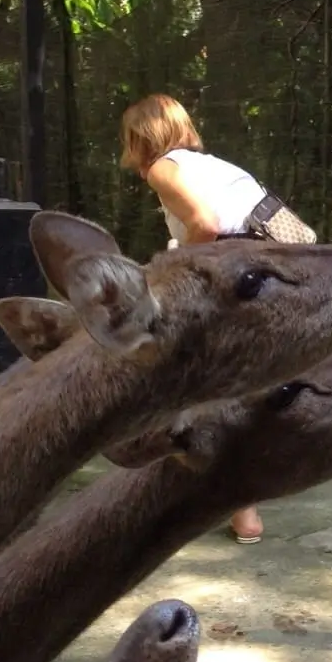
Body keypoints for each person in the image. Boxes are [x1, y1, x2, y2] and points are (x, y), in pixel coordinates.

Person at [119, 92, 269, 544]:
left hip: (234, 279)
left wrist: (174, 270)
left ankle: (236, 505)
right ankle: (239, 505)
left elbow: (204, 224)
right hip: (268, 279)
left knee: (191, 380)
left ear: (140, 138)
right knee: (230, 385)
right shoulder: (212, 167)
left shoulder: (165, 169)